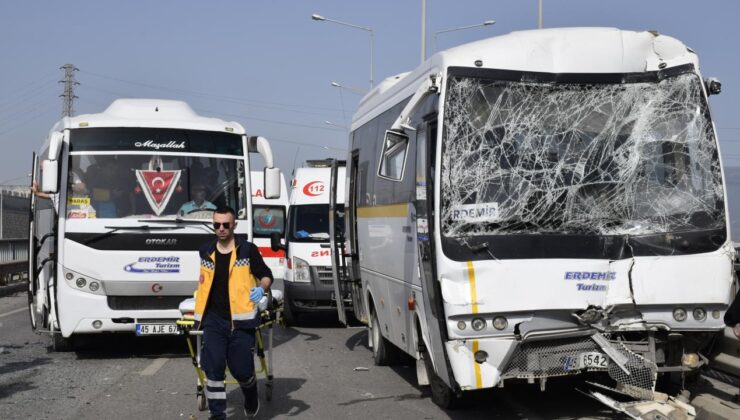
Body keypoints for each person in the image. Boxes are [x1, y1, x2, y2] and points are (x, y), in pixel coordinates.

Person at [193, 206, 273, 419]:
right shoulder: (205, 251)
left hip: (241, 322)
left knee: (242, 371)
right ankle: (217, 415)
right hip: (214, 320)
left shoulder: (247, 250)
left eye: (225, 225)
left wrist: (261, 288)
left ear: (234, 225)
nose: (221, 229)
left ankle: (251, 395)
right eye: (216, 225)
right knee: (214, 369)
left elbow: (266, 275)